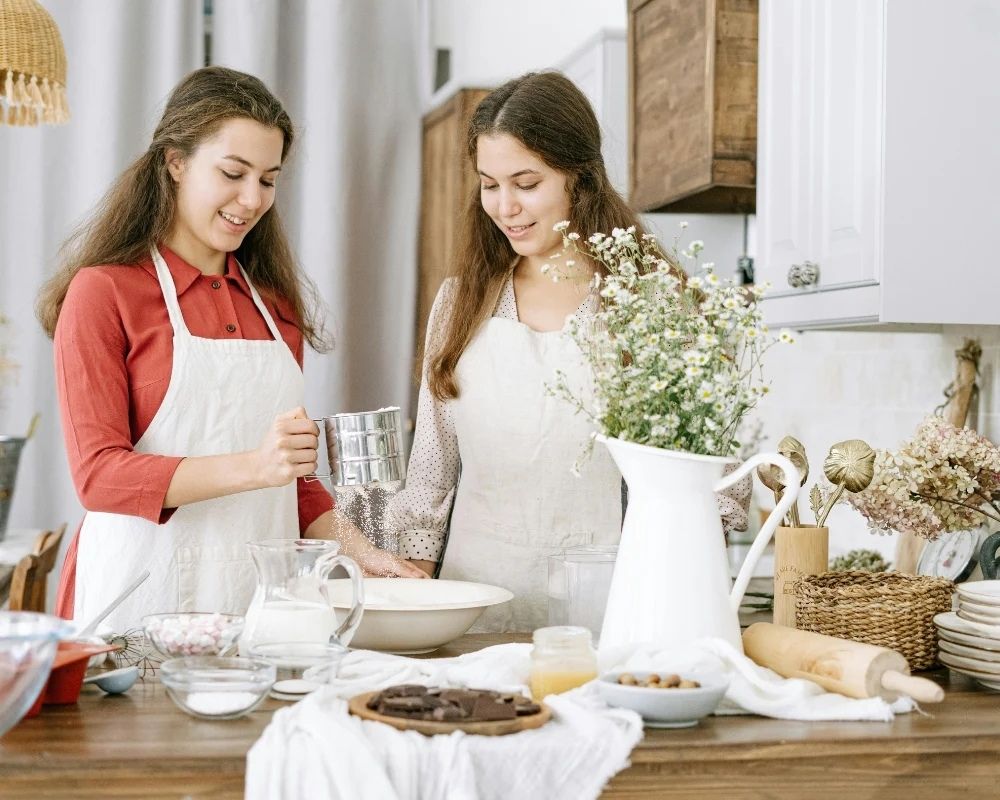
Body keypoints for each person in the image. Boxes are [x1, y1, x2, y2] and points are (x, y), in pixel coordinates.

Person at [38, 66, 424, 632]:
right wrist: (253, 467)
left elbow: (291, 477)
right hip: (138, 598)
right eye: (233, 173)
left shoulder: (274, 307)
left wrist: (360, 550)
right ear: (175, 161)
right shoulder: (105, 292)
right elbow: (100, 476)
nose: (252, 199)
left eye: (268, 179)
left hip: (257, 606)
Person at [390, 71, 749, 632]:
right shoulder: (460, 302)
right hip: (473, 611)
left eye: (526, 183)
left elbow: (716, 479)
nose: (505, 206)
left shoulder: (648, 302)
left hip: (611, 612)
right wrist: (410, 611)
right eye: (489, 184)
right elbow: (431, 477)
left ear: (578, 179)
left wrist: (680, 599)